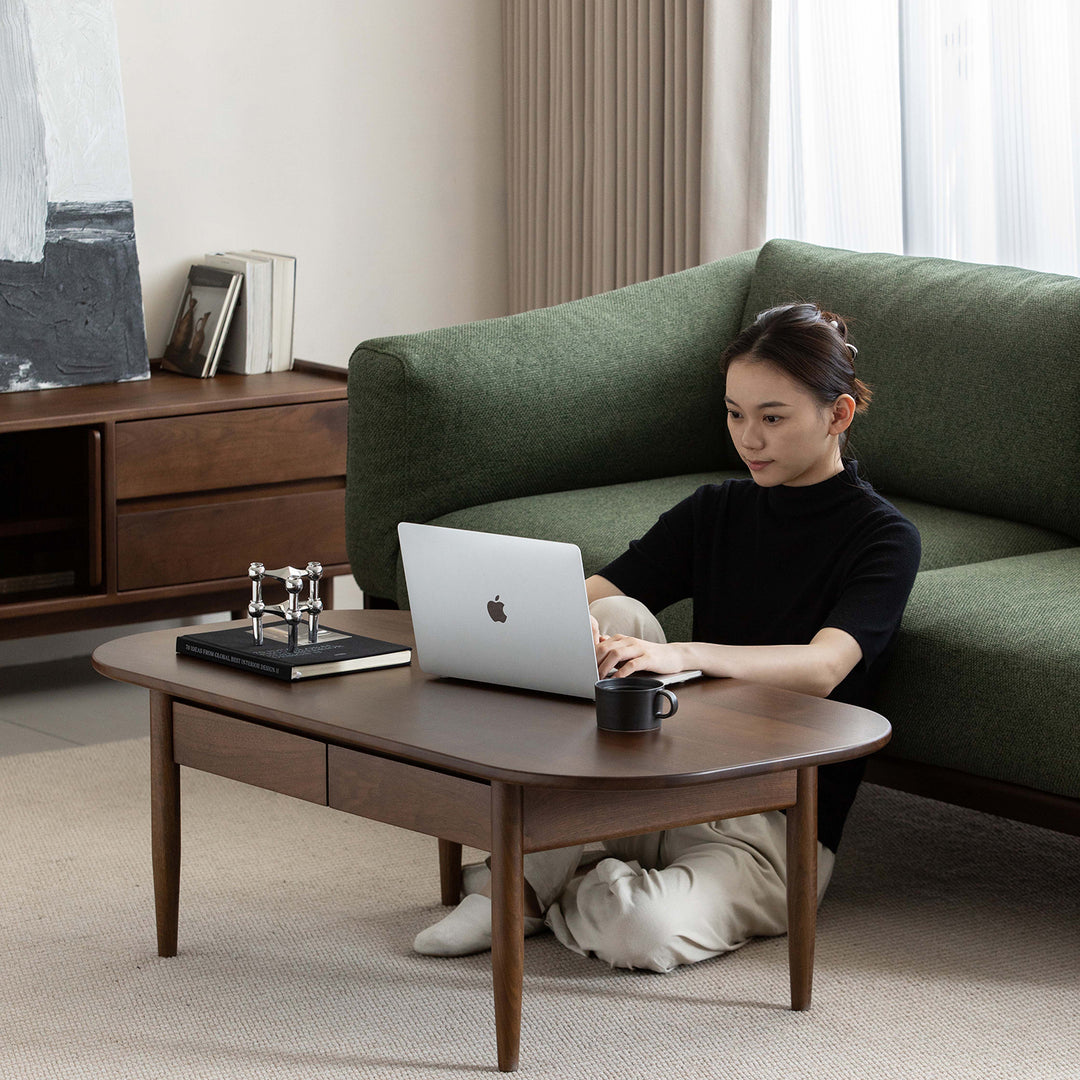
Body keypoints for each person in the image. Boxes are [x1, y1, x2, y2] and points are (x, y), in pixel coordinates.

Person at [412, 302, 921, 972]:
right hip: (668, 789)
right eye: (735, 414)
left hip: (770, 826)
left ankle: (563, 871)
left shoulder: (884, 538)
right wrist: (543, 619)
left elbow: (825, 666)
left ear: (838, 414)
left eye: (773, 417)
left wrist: (682, 653)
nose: (750, 438)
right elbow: (598, 590)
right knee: (619, 617)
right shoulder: (717, 508)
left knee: (641, 933)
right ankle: (528, 888)